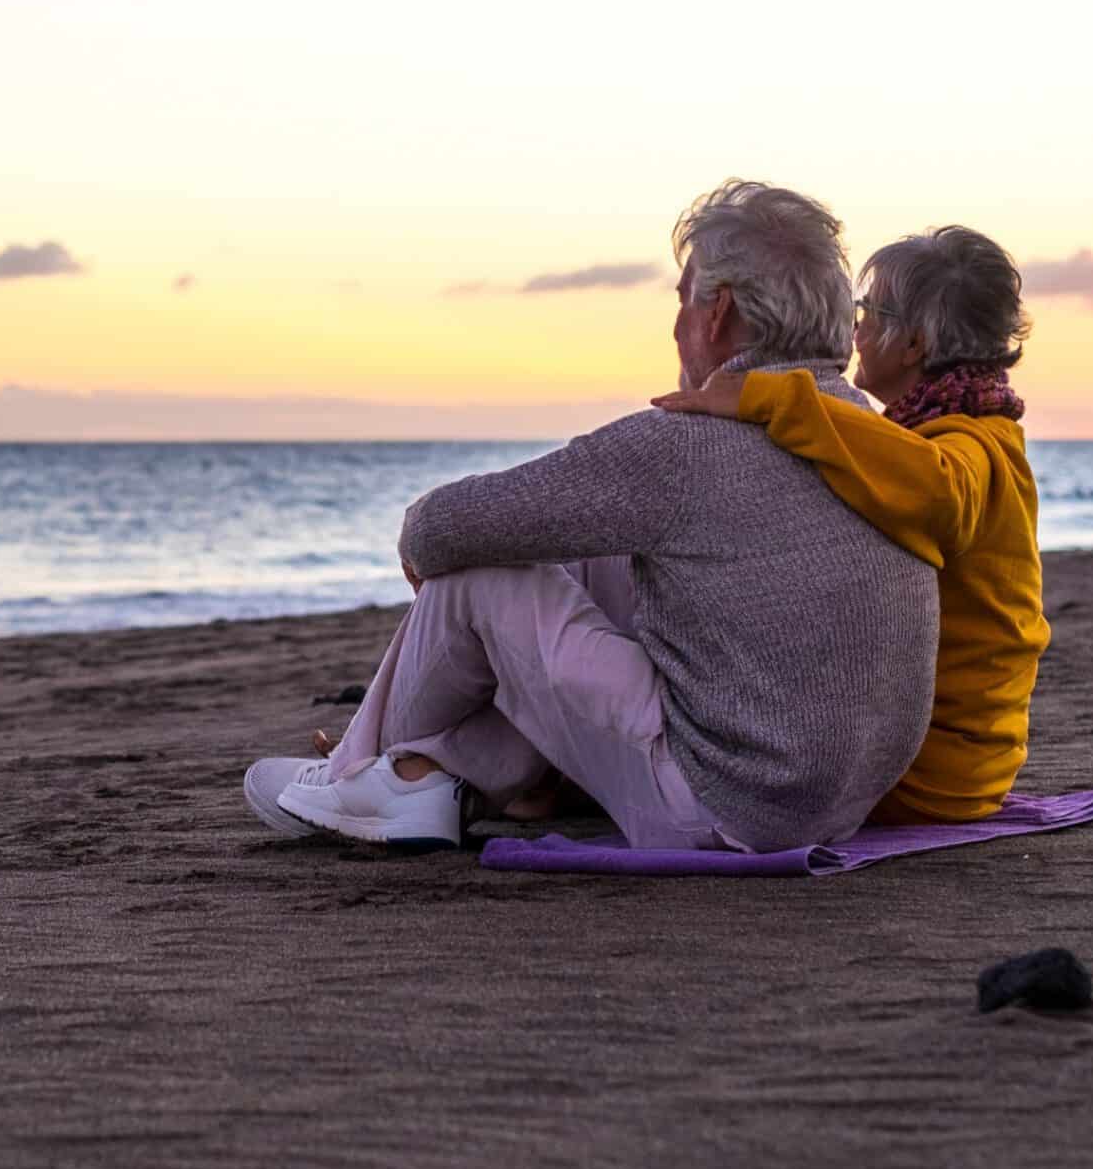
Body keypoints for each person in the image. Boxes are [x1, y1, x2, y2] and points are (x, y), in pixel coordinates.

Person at [243, 180, 939, 855]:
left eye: (682, 299)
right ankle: (429, 776)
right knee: (594, 555)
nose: (674, 324)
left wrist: (431, 549)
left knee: (479, 581)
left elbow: (439, 530)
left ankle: (362, 775)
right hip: (838, 805)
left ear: (718, 312)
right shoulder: (870, 439)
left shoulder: (687, 446)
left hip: (722, 805)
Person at [650, 226, 1046, 824]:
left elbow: (941, 492)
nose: (855, 328)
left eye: (870, 312)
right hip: (956, 770)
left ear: (912, 343)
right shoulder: (946, 433)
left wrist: (776, 400)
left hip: (932, 776)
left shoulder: (973, 446)